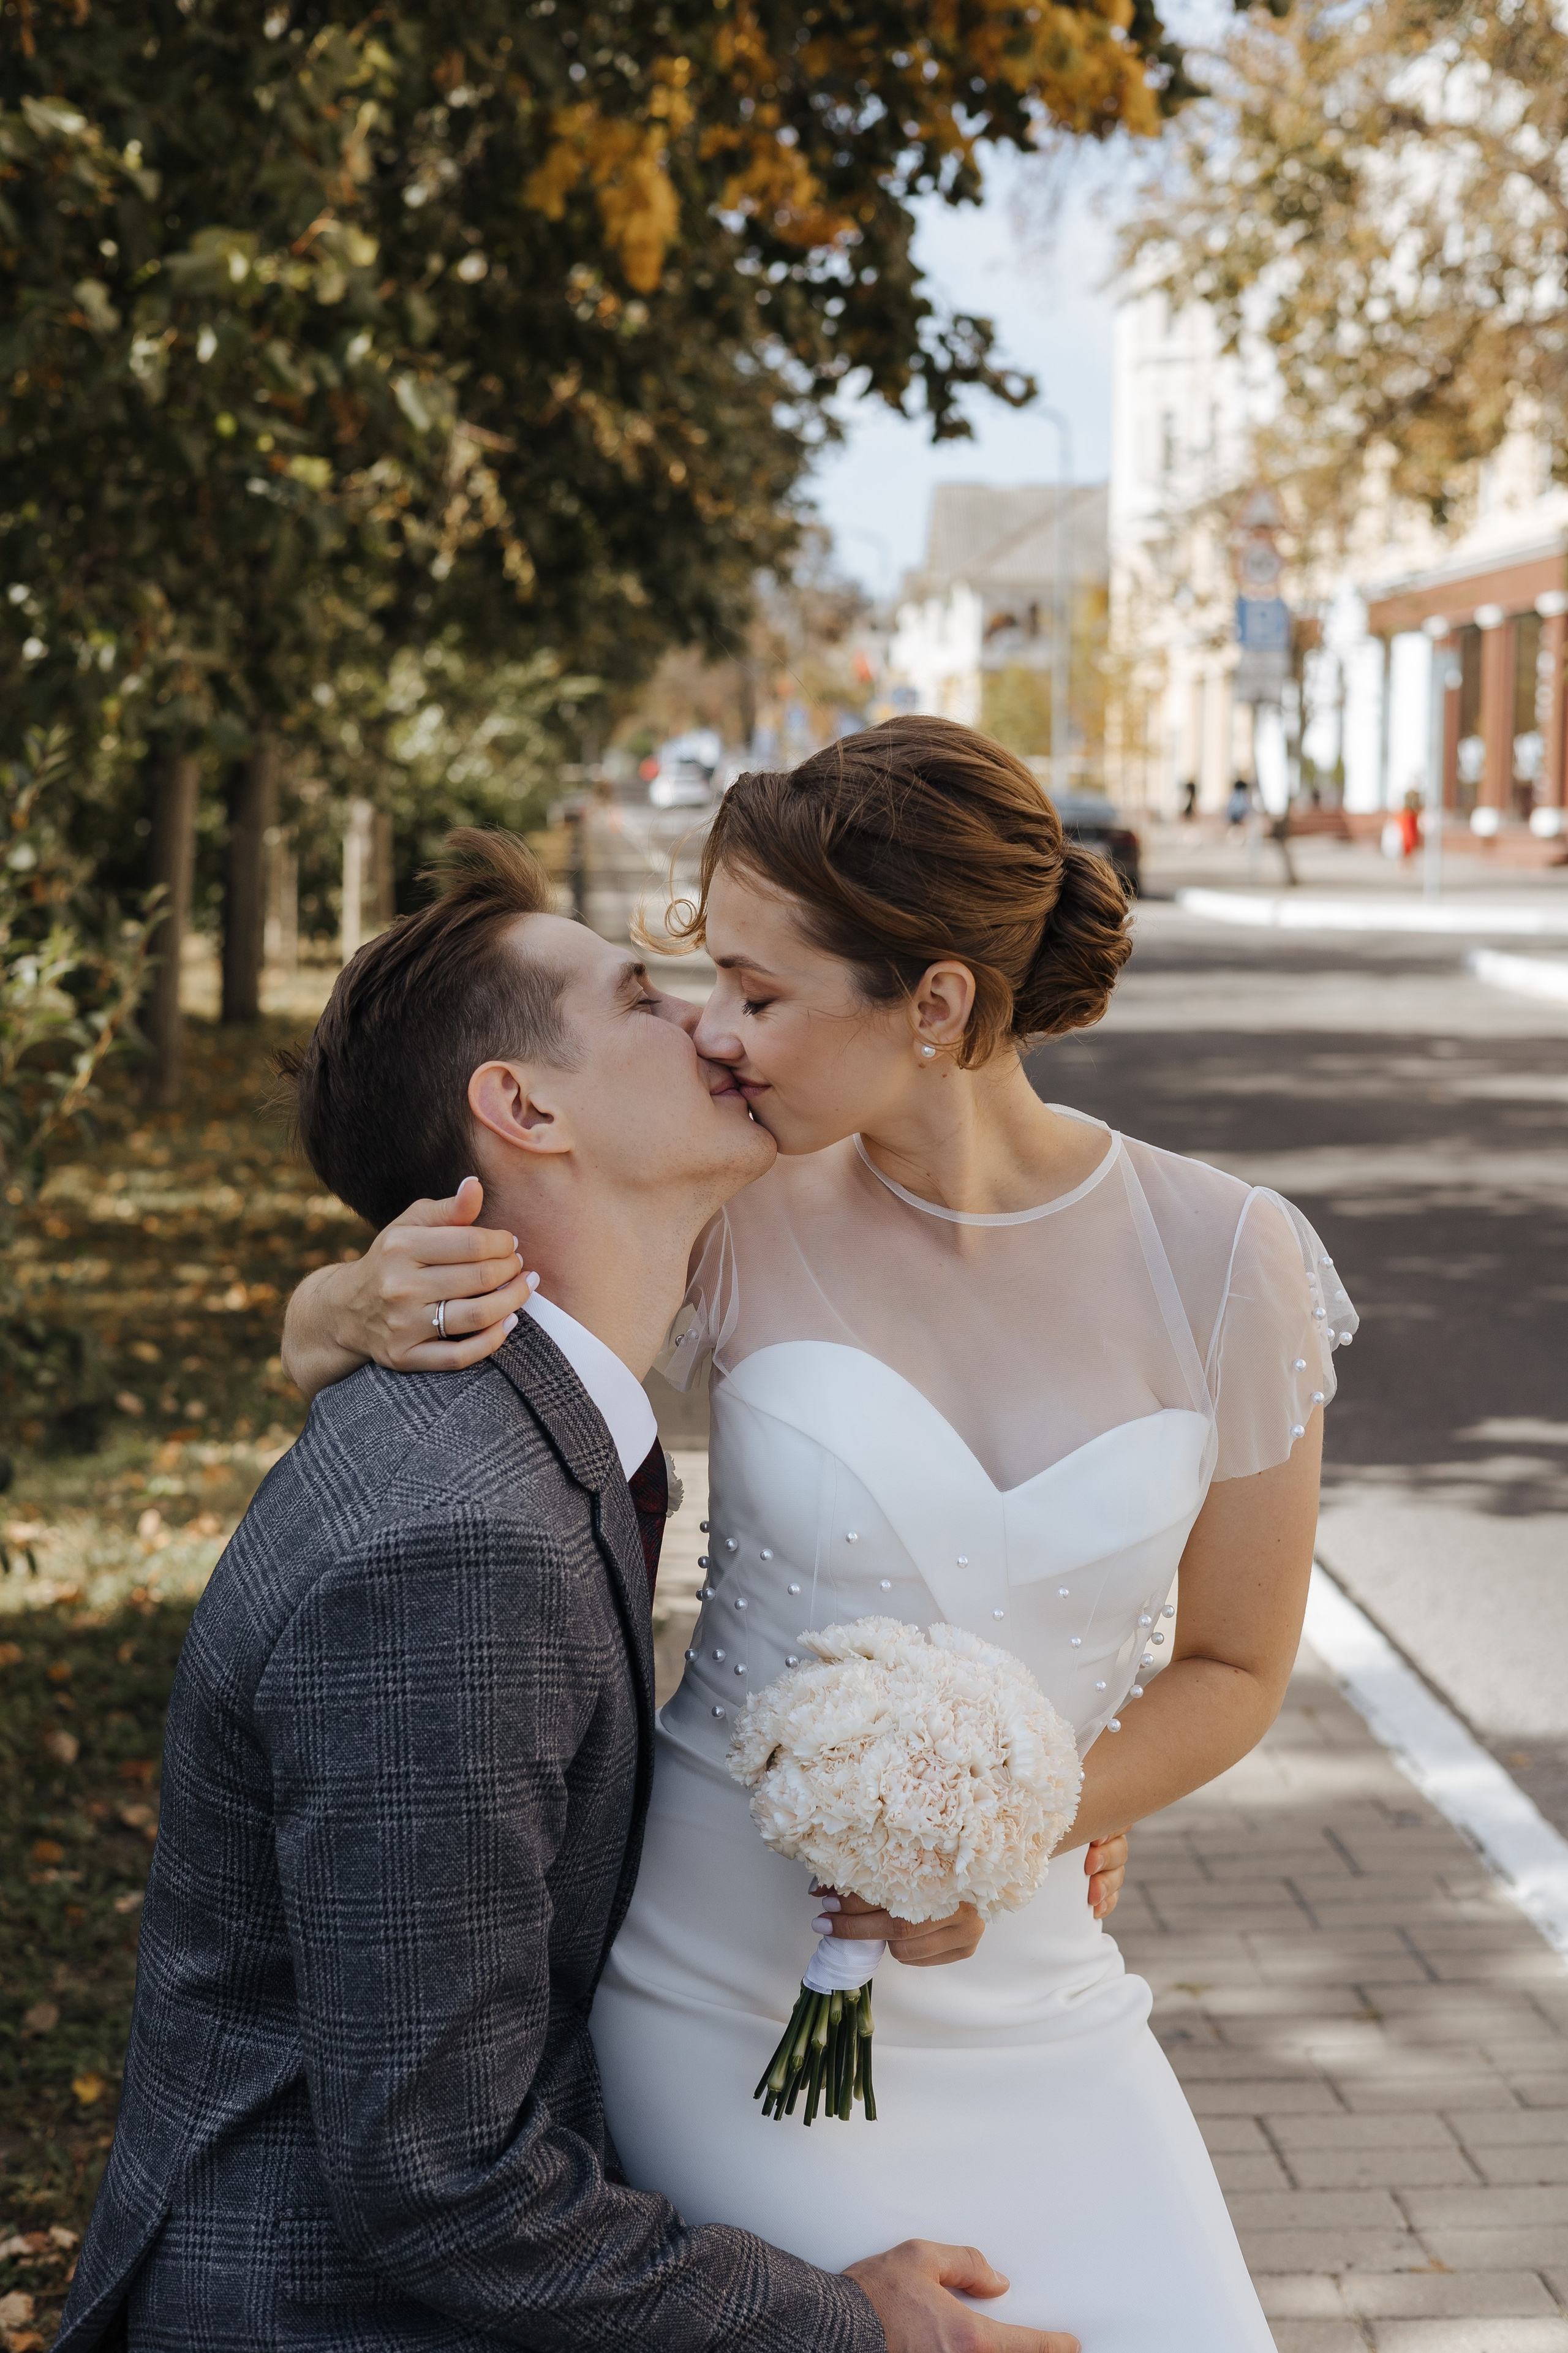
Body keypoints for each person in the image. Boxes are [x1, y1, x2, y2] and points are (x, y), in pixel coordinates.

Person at [284, 719, 1360, 2352]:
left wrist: (1034, 1806)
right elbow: (486, 1363)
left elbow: (1232, 1661)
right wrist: (329, 1309)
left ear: (933, 1005)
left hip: (1045, 1990)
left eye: (760, 993)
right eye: (709, 982)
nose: (717, 1035)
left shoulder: (1229, 1259)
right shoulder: (739, 1210)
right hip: (720, 1990)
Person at [58, 829, 1079, 2353]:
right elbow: (444, 2184)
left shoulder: (507, 1424)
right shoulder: (454, 1547)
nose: (712, 1026)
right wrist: (845, 2326)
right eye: (647, 1001)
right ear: (523, 1107)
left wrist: (1018, 1790)